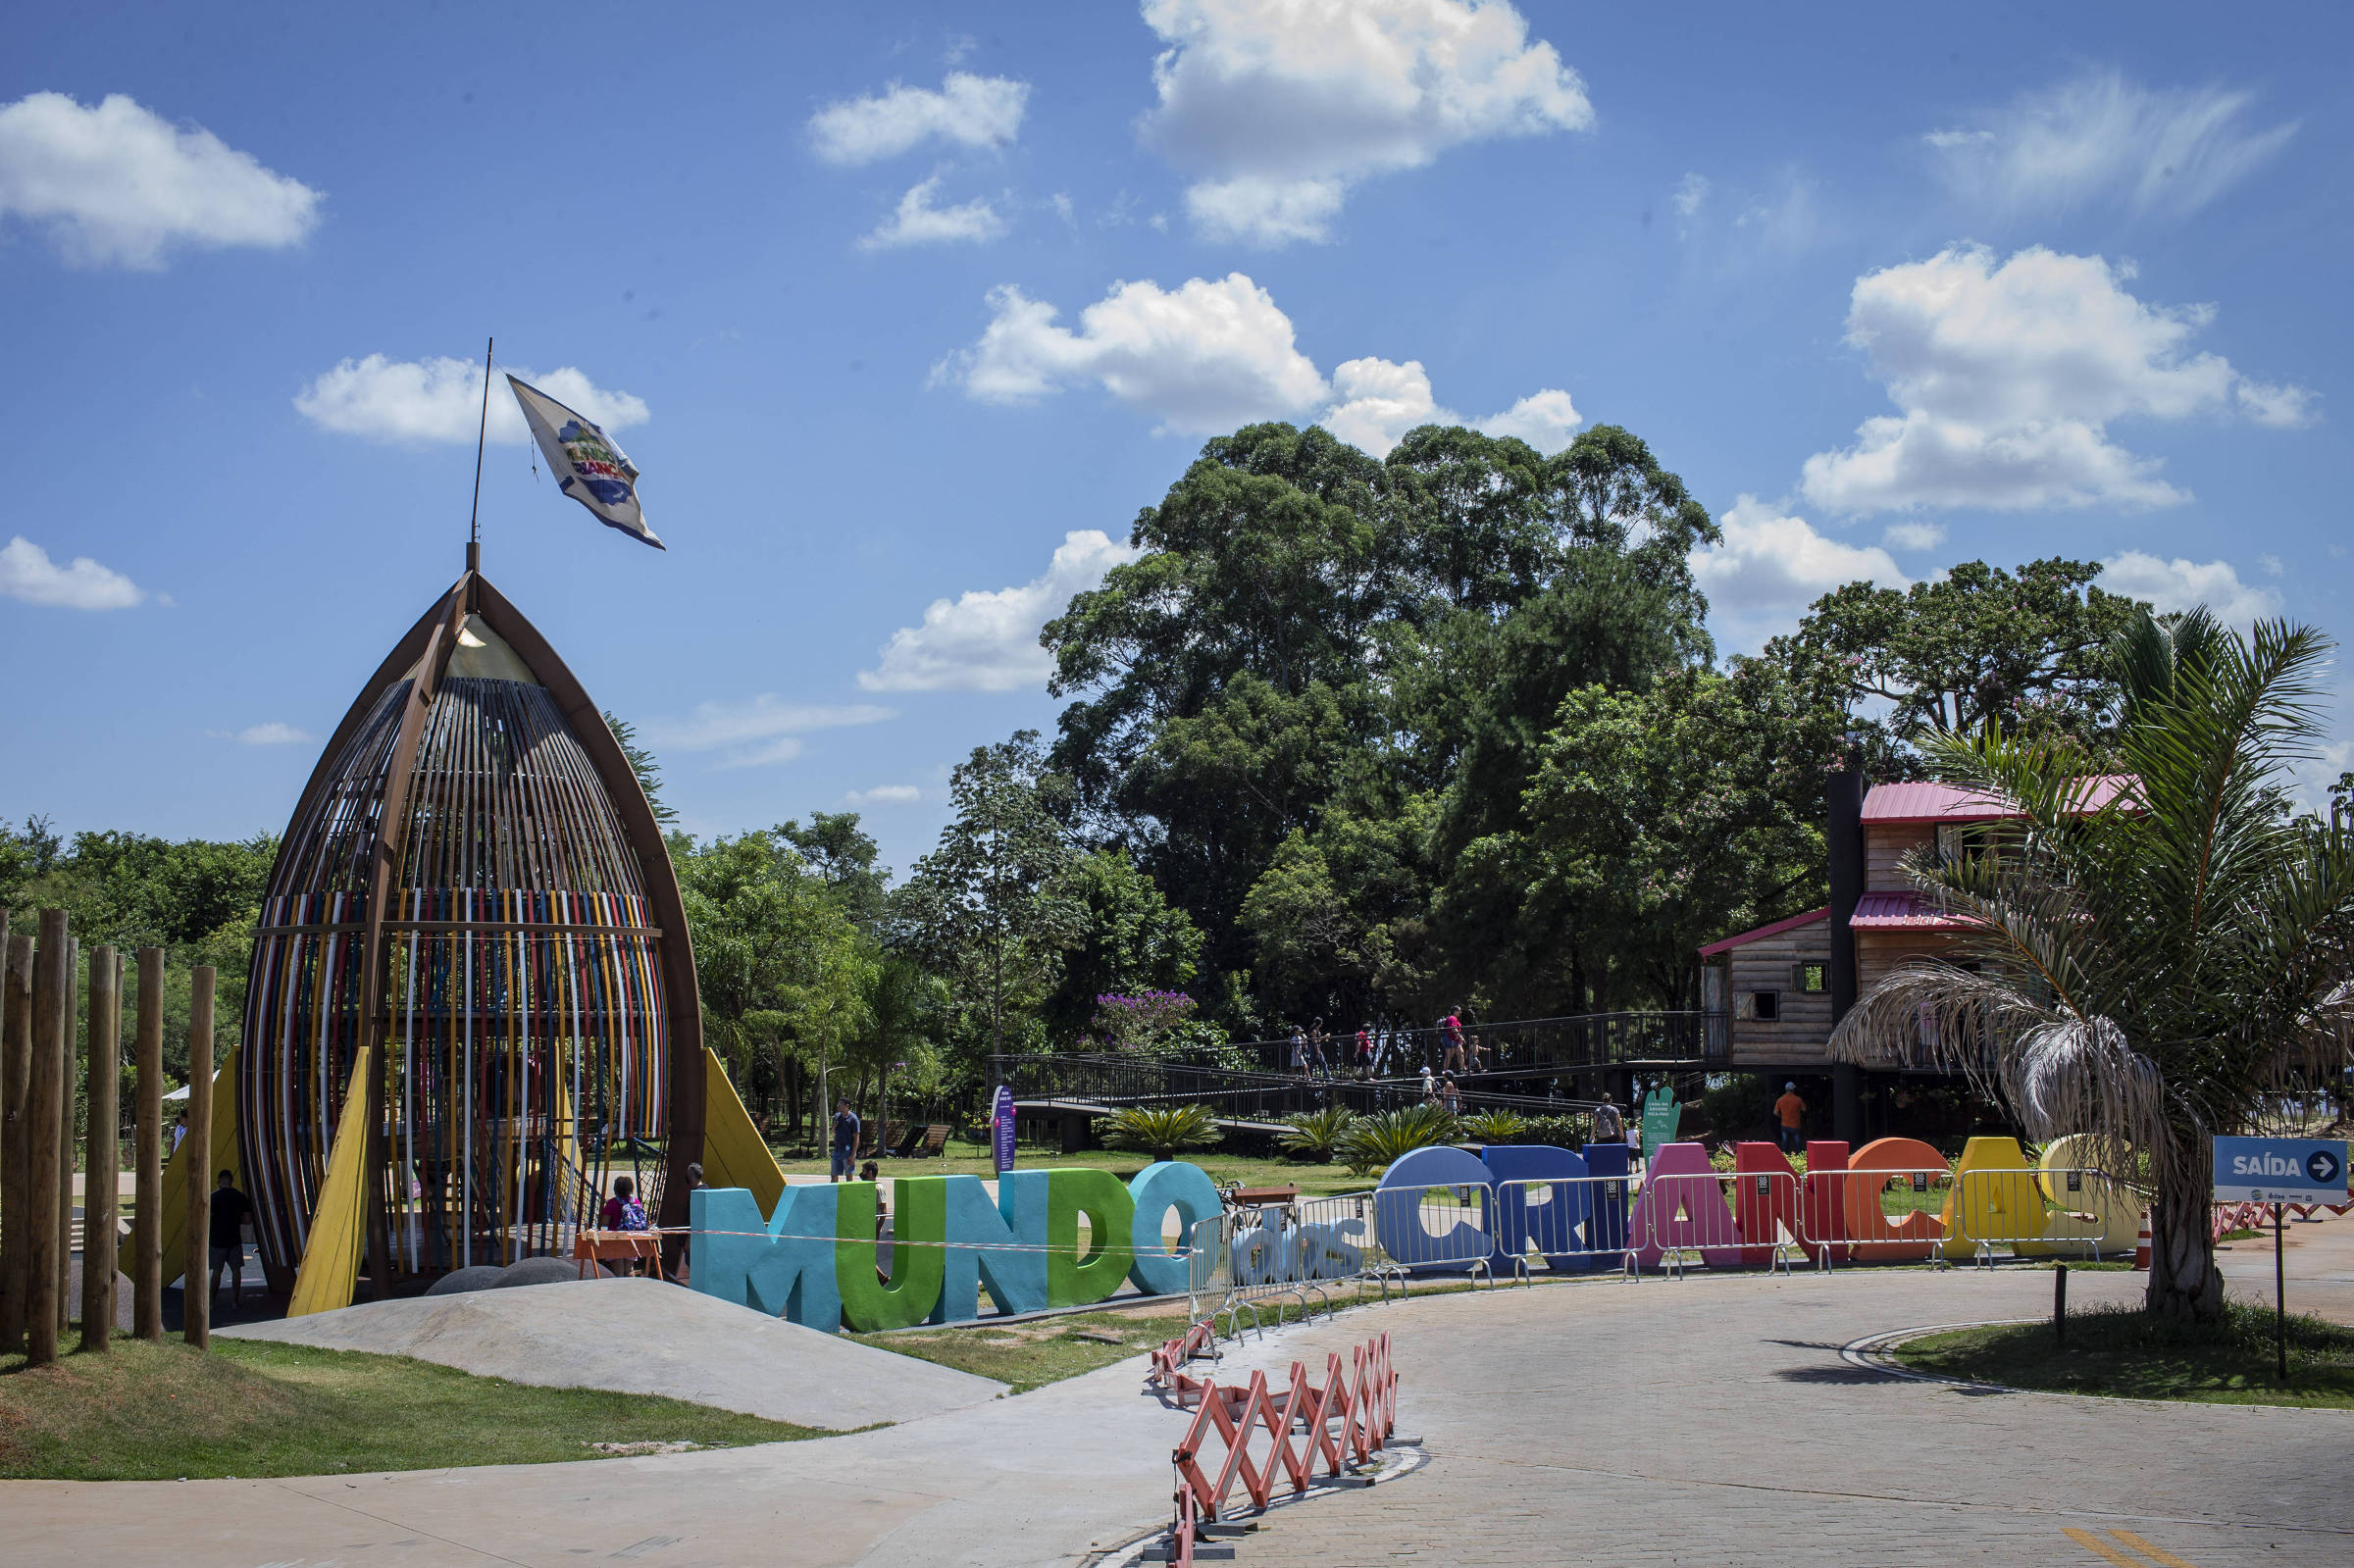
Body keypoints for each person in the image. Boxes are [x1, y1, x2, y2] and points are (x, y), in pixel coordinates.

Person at [208, 1170, 254, 1308]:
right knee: (236, 1270)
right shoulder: (240, 1197)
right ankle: (235, 1301)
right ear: (231, 1180)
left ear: (219, 1181)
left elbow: (207, 1218)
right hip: (234, 1238)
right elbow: (247, 1220)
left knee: (217, 1271)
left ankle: (211, 1302)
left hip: (217, 1239)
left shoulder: (213, 1197)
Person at [831, 1098, 860, 1182]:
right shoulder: (837, 1117)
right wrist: (833, 1128)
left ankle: (850, 1193)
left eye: (840, 1105)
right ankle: (834, 1193)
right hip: (837, 1150)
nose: (838, 1107)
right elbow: (833, 1133)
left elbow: (856, 1138)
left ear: (847, 1106)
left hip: (848, 1151)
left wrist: (852, 1155)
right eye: (838, 1105)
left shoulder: (853, 1119)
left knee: (849, 1175)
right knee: (834, 1175)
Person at [1774, 1082, 1807, 1155]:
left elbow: (1775, 1113)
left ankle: (1785, 1158)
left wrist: (1782, 1116)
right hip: (1795, 1126)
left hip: (1784, 1125)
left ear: (1786, 1089)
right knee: (1797, 1143)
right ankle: (1798, 1157)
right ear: (1793, 1089)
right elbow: (1804, 1109)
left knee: (1785, 1143)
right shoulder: (1798, 1099)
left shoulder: (1780, 1099)